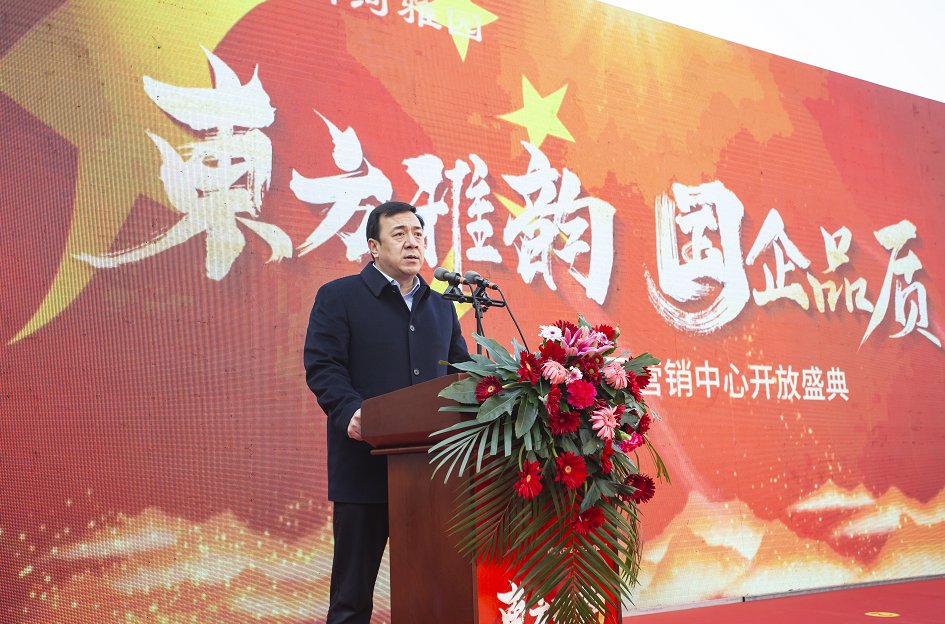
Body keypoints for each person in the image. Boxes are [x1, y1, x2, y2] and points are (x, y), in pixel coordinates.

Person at [304, 201, 470, 624]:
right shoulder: (339, 297)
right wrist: (351, 412)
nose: (412, 243)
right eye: (399, 234)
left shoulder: (441, 307)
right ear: (374, 247)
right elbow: (323, 366)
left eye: (418, 234)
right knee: (352, 601)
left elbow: (461, 375)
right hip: (365, 469)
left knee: (438, 598)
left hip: (433, 476)